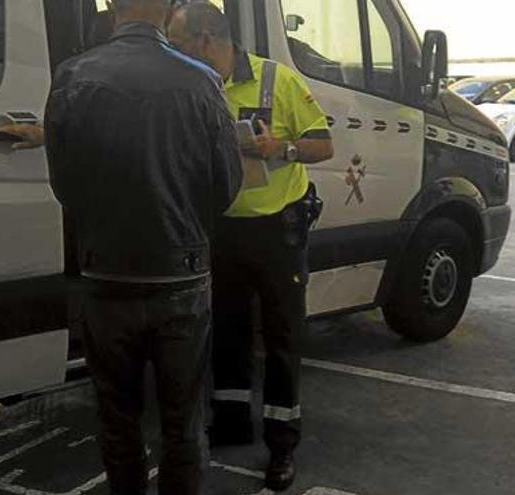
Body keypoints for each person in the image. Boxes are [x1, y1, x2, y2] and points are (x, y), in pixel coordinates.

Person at [43, 0, 243, 493]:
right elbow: (226, 185)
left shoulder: (72, 76)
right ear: (168, 12)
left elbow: (64, 185)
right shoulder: (201, 82)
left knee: (118, 423)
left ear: (112, 11)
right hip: (182, 278)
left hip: (105, 278)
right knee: (183, 426)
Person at [169, 2, 334, 491]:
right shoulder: (191, 83)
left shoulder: (275, 80)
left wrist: (278, 149)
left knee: (283, 339)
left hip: (277, 230)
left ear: (203, 39)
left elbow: (323, 145)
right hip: (221, 229)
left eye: (176, 40)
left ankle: (282, 445)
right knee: (228, 333)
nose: (171, 49)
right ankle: (232, 423)